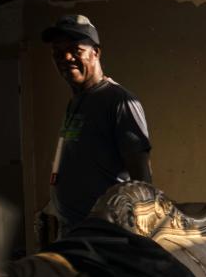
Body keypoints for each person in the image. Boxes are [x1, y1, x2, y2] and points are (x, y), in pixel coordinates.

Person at [42, 14, 152, 234]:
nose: (65, 57)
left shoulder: (119, 101)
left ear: (96, 52)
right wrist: (52, 206)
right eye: (57, 52)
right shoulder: (75, 101)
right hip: (72, 229)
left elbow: (142, 179)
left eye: (76, 50)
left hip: (105, 234)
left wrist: (142, 234)